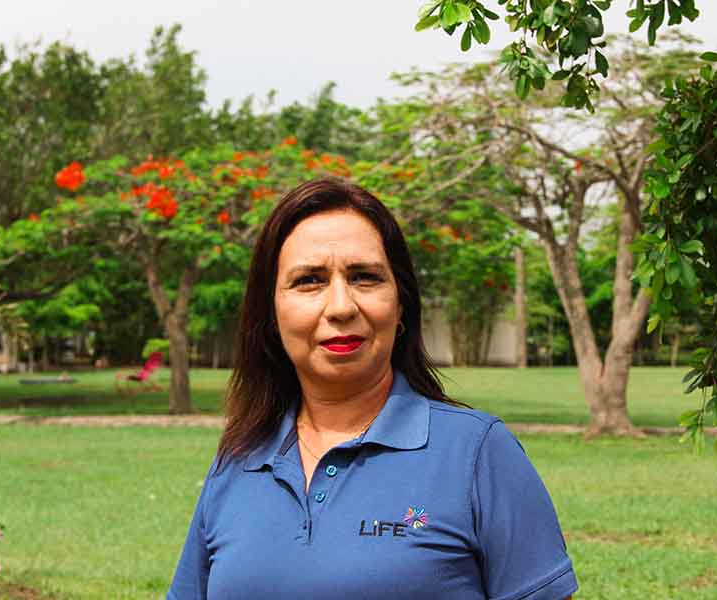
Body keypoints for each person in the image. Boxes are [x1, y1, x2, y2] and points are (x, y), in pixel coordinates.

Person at [168, 177, 577, 600]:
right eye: (309, 280)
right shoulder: (240, 457)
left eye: (364, 277)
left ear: (401, 305)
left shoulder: (477, 452)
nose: (342, 307)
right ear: (271, 312)